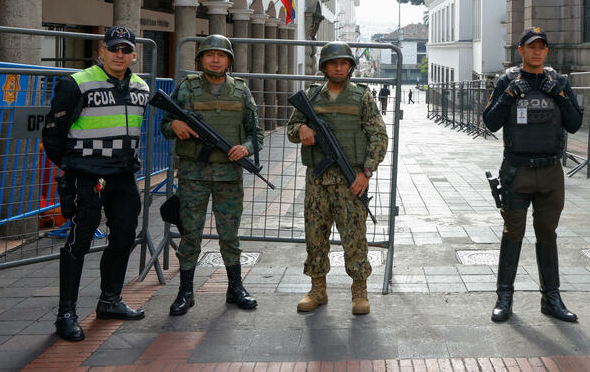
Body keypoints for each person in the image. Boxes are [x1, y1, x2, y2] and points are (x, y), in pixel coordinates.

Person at [42, 26, 151, 342]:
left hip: (123, 175)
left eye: (125, 50)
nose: (119, 55)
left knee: (124, 236)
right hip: (86, 175)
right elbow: (53, 133)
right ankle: (66, 314)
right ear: (102, 50)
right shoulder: (77, 83)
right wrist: (71, 166)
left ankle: (110, 300)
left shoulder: (141, 87)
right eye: (114, 48)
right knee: (79, 241)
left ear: (134, 55)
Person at [482, 26, 583, 324]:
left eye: (541, 47)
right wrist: (508, 96)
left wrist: (560, 96)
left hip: (550, 172)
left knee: (547, 234)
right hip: (517, 171)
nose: (537, 51)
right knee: (513, 233)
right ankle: (504, 297)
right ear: (521, 50)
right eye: (531, 46)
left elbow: (575, 123)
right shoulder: (507, 80)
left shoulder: (559, 82)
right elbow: (490, 122)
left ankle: (551, 298)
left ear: (546, 51)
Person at [161, 34, 262, 316]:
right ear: (201, 59)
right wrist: (175, 125)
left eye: (221, 55)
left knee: (229, 235)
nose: (215, 60)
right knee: (190, 234)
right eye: (209, 55)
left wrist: (246, 148)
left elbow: (256, 133)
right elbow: (165, 124)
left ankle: (235, 288)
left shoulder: (241, 91)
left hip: (229, 176)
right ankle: (185, 291)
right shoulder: (187, 88)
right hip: (193, 175)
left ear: (229, 60)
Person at [287, 42, 388, 315]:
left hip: (351, 180)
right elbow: (291, 128)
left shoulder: (362, 97)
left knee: (354, 237)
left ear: (351, 67)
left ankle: (359, 291)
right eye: (333, 63)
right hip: (317, 181)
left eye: (344, 63)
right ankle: (317, 290)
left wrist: (366, 173)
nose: (339, 68)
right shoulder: (311, 96)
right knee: (315, 236)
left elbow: (379, 137)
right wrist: (302, 129)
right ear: (324, 67)